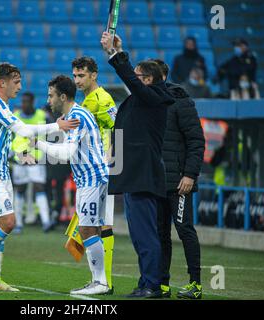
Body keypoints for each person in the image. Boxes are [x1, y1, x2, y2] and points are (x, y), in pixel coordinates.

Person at [0, 63, 79, 292]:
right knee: (9, 222)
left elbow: (2, 138)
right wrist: (56, 126)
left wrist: (18, 153)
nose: (20, 86)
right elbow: (24, 131)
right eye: (16, 82)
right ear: (2, 82)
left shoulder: (3, 106)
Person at [100, 32, 174, 298]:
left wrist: (114, 54)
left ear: (150, 80)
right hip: (133, 174)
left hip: (142, 175)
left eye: (139, 76)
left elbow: (130, 78)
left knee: (145, 235)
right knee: (140, 235)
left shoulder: (154, 97)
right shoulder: (142, 99)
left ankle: (152, 284)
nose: (134, 78)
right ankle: (147, 282)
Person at [34, 75, 110, 295]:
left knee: (87, 228)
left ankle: (100, 283)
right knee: (91, 227)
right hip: (91, 178)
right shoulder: (73, 115)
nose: (49, 100)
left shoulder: (77, 116)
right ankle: (99, 281)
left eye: (51, 95)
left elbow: (67, 153)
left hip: (92, 179)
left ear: (63, 96)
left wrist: (39, 144)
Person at [153, 59, 206, 299]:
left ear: (161, 76)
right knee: (161, 233)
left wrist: (190, 175)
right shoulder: (150, 104)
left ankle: (195, 284)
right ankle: (162, 284)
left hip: (179, 183)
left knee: (184, 229)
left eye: (147, 76)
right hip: (156, 181)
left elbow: (196, 141)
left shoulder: (181, 102)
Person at [71, 56, 117, 293]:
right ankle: (100, 281)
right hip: (92, 169)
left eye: (82, 75)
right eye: (75, 76)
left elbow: (118, 129)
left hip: (104, 169)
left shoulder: (102, 98)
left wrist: (111, 158)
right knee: (97, 225)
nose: (77, 80)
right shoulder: (86, 100)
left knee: (103, 225)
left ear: (93, 75)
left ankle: (103, 281)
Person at [11, 92, 52, 233]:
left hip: (37, 159)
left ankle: (46, 221)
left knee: (39, 188)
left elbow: (52, 130)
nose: (24, 104)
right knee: (20, 190)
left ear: (32, 102)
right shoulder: (15, 116)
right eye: (22, 102)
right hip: (20, 159)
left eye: (27, 102)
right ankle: (18, 223)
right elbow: (10, 136)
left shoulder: (42, 115)